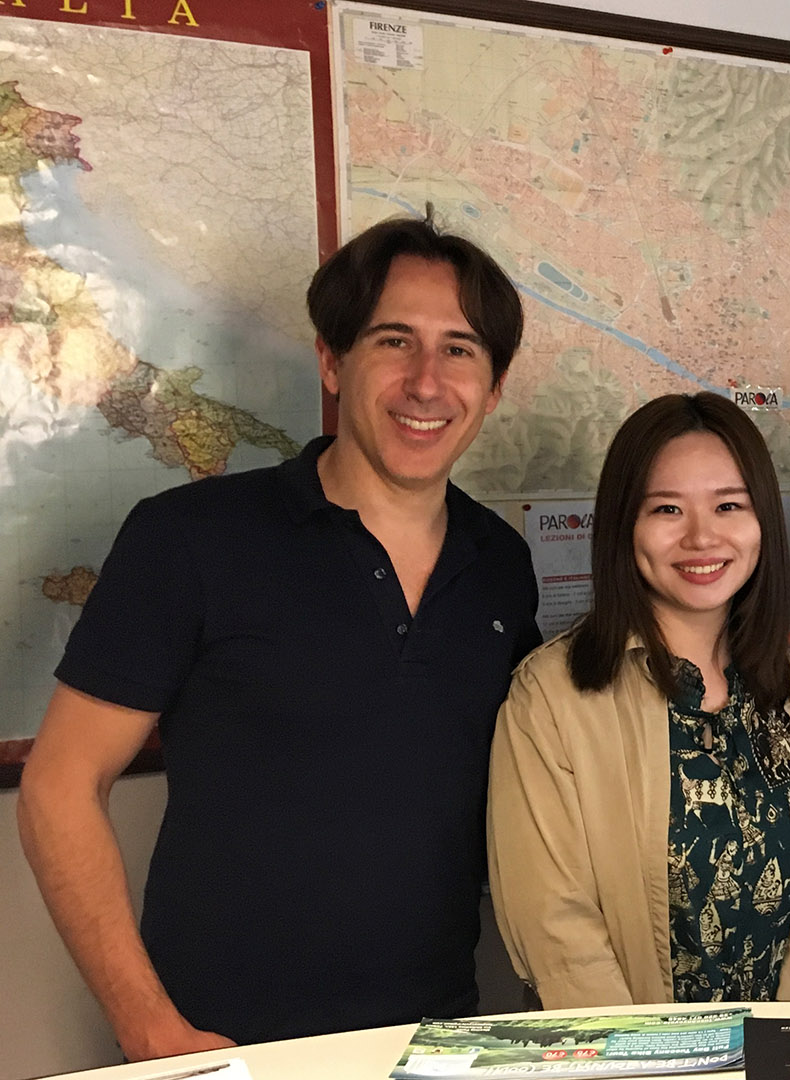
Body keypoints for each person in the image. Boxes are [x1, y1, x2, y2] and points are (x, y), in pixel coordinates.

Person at [16, 216, 542, 1057]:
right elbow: (59, 787)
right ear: (333, 360)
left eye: (461, 350)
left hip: (435, 1041)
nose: (426, 382)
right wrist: (148, 1026)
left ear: (495, 383)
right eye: (394, 341)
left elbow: (562, 742)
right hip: (221, 1046)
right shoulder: (189, 538)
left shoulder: (501, 566)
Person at [488, 393, 790, 1007]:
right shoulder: (550, 698)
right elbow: (556, 930)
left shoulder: (786, 688)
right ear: (624, 525)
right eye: (666, 509)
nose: (702, 537)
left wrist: (785, 1042)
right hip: (623, 1066)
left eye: (729, 505)